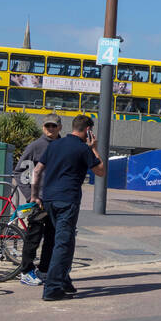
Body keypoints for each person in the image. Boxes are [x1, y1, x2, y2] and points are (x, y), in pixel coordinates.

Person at [30, 114, 105, 302]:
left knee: (65, 240)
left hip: (48, 200)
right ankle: (52, 288)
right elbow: (101, 171)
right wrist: (94, 149)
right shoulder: (83, 148)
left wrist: (34, 195)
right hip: (67, 201)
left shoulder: (54, 145)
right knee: (63, 243)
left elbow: (37, 170)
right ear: (88, 130)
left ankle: (63, 280)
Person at [16, 114, 63, 287]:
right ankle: (26, 271)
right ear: (43, 127)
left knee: (52, 238)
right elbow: (20, 171)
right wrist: (30, 196)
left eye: (54, 126)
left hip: (56, 201)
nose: (50, 129)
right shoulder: (35, 146)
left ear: (60, 127)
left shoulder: (63, 145)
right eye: (47, 126)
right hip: (39, 202)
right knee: (33, 237)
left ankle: (43, 270)